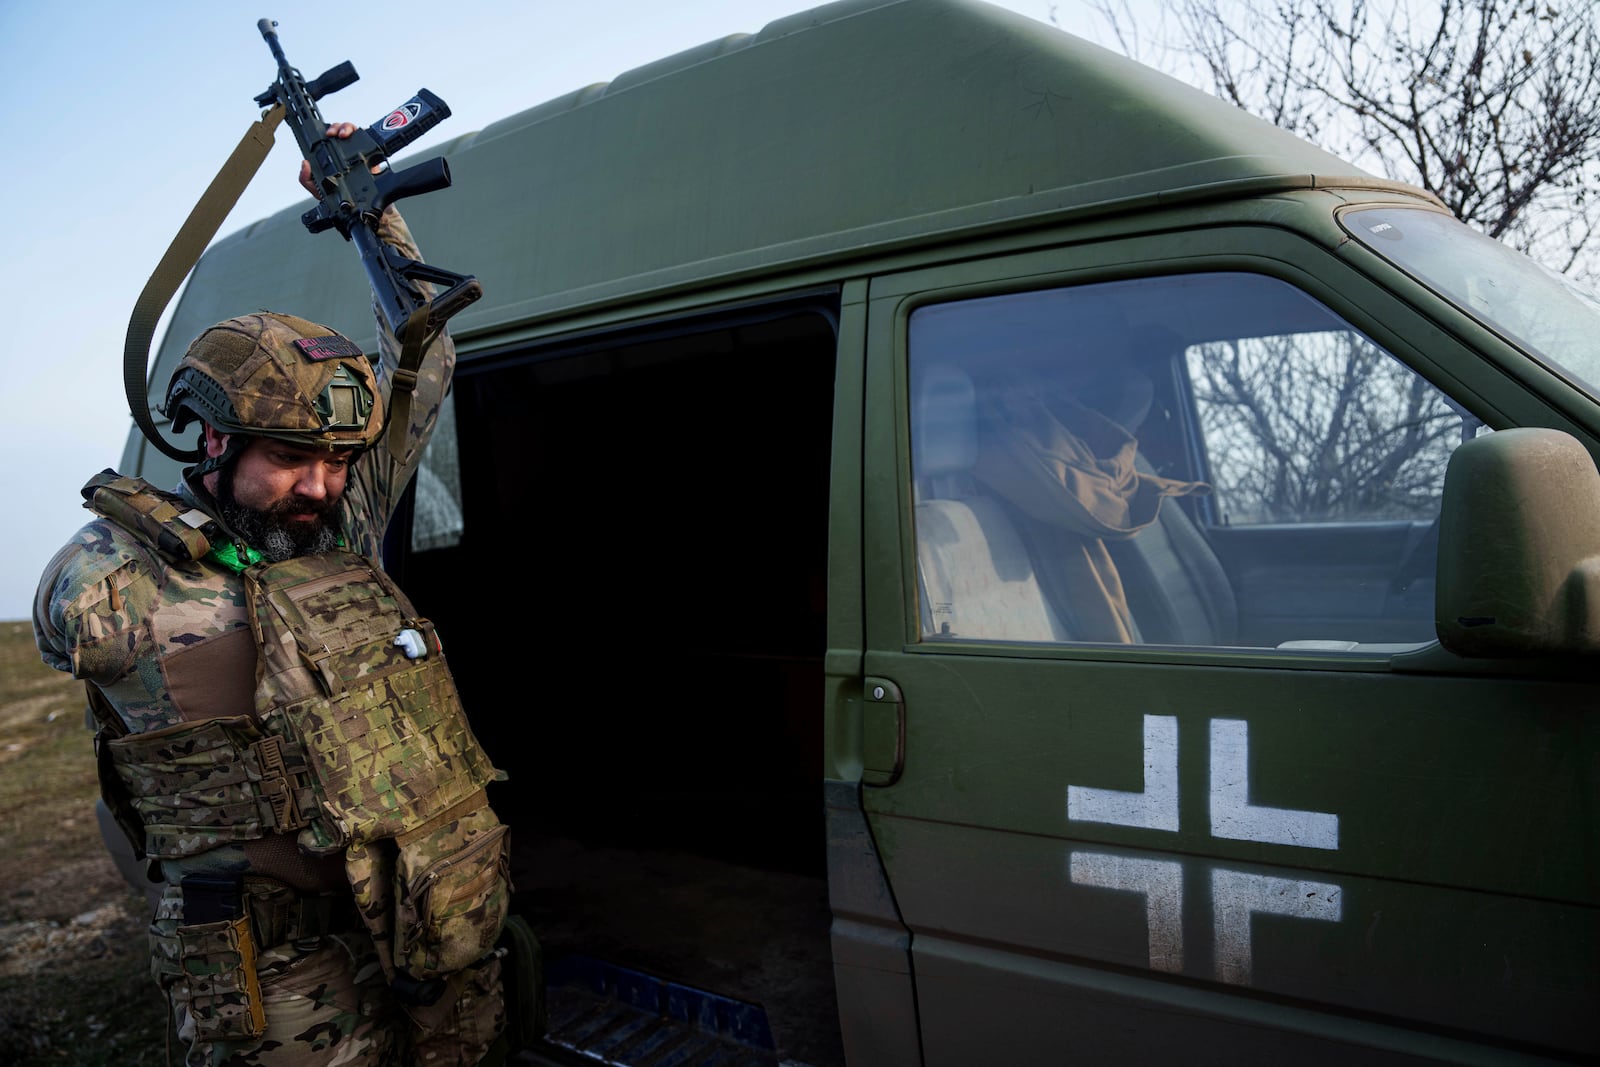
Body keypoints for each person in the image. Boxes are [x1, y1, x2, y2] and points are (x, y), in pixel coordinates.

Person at [33, 124, 512, 1066]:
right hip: (264, 959)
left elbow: (428, 351)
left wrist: (367, 207)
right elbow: (66, 621)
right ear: (210, 446)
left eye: (336, 463)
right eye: (291, 460)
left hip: (408, 910)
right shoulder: (113, 583)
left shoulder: (338, 524)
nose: (324, 487)